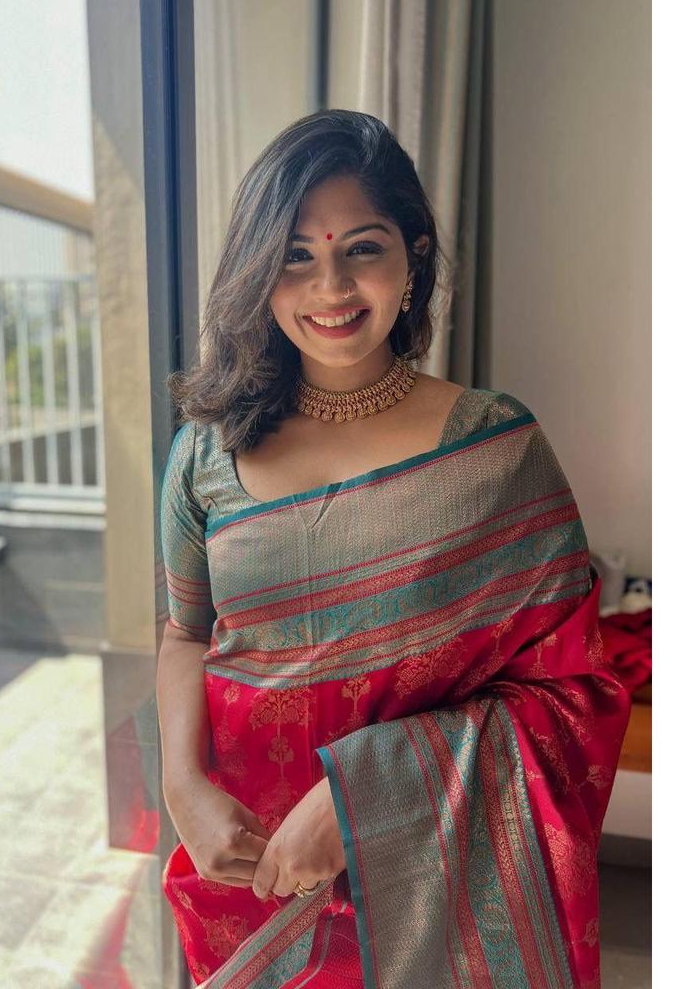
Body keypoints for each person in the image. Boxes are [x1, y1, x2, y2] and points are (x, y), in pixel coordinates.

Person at [156, 109, 629, 989]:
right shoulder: (204, 452)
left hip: (431, 888)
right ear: (258, 274)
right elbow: (185, 632)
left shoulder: (496, 451)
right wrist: (182, 786)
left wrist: (361, 800)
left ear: (413, 257)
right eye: (295, 256)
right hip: (251, 876)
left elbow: (573, 697)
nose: (330, 286)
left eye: (361, 249)